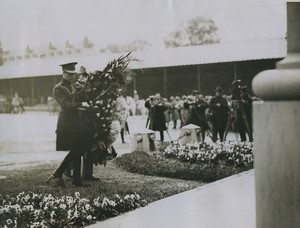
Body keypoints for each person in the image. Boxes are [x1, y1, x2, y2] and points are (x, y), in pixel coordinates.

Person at [47, 62, 90, 188]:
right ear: (64, 73)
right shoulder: (59, 88)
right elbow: (65, 105)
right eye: (69, 74)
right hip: (66, 123)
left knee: (79, 149)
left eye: (73, 74)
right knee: (76, 149)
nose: (72, 77)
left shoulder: (73, 86)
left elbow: (79, 98)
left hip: (76, 121)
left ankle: (76, 180)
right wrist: (82, 105)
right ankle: (57, 174)